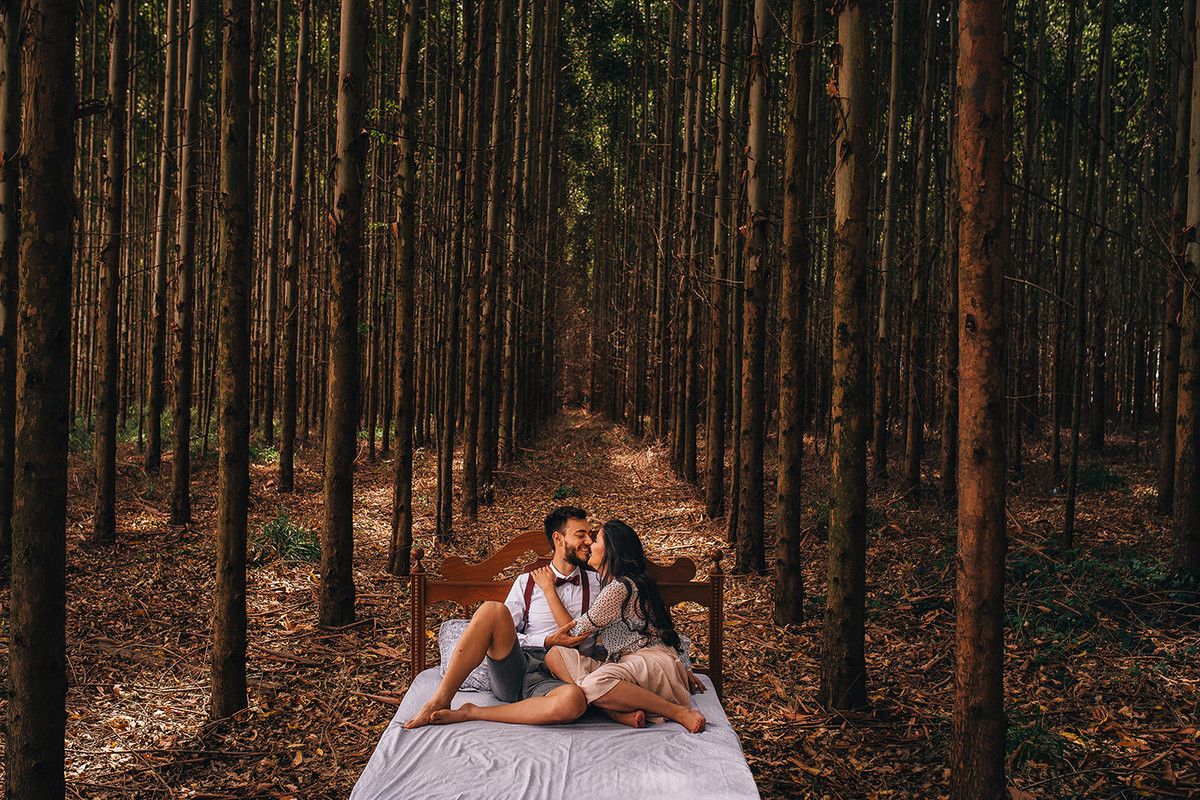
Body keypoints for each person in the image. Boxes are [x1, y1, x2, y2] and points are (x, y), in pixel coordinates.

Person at [404, 506, 606, 728]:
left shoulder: (598, 584)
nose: (589, 540)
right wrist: (545, 641)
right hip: (517, 671)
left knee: (573, 702)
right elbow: (506, 635)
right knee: (493, 610)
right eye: (581, 534)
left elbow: (587, 638)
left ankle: (474, 712)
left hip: (564, 678)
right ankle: (440, 699)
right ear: (558, 539)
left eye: (591, 535)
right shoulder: (526, 583)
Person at [543, 519, 707, 733]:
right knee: (554, 656)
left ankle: (676, 712)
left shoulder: (619, 587)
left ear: (611, 549)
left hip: (647, 665)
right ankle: (616, 711)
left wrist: (548, 590)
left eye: (597, 540)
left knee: (593, 684)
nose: (590, 543)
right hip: (626, 667)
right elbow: (664, 628)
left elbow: (576, 630)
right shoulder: (622, 583)